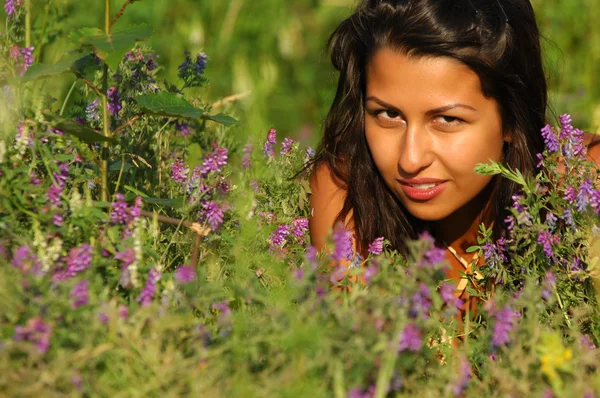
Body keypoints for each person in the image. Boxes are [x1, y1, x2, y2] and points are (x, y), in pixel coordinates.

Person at [308, 0, 600, 306]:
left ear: (513, 119)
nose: (410, 159)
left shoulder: (585, 186)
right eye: (388, 114)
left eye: (447, 120)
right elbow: (362, 346)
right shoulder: (345, 194)